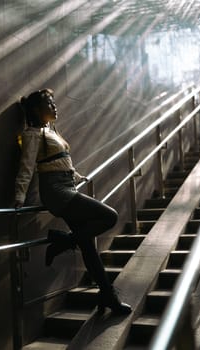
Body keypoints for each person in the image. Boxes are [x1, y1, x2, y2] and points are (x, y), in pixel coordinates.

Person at [14, 88, 132, 315]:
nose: (55, 106)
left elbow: (60, 160)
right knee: (109, 216)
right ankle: (62, 242)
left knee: (88, 247)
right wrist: (19, 197)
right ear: (37, 110)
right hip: (57, 193)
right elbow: (27, 167)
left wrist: (77, 177)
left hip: (66, 187)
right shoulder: (32, 134)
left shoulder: (51, 131)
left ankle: (108, 297)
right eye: (50, 103)